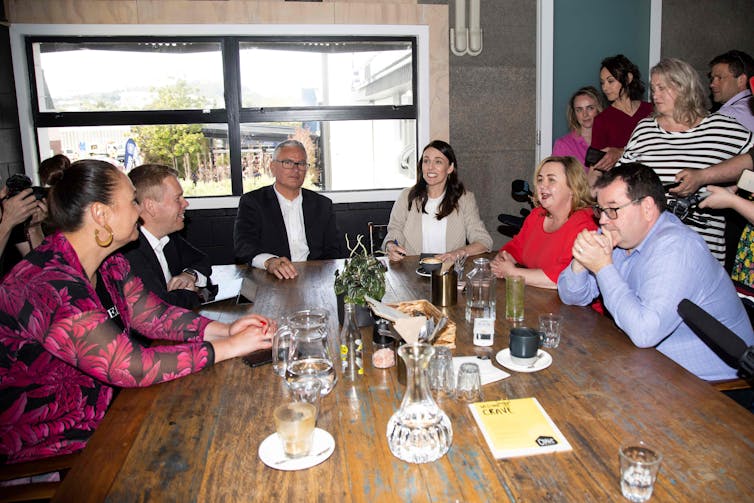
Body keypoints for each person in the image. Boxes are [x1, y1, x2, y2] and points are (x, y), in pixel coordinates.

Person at [0, 159, 273, 463]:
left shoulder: (110, 264)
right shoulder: (46, 284)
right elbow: (129, 365)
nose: (138, 210)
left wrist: (225, 330)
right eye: (132, 201)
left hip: (113, 411)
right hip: (59, 445)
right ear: (100, 214)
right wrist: (231, 346)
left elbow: (154, 315)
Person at [558, 163, 754, 382]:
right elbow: (571, 296)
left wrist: (603, 267)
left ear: (647, 208)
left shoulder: (676, 248)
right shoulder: (621, 235)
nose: (603, 220)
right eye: (601, 210)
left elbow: (644, 332)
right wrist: (581, 261)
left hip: (713, 389)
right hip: (650, 365)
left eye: (612, 209)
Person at [618, 58, 754, 264]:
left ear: (683, 87)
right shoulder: (644, 129)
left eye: (662, 88)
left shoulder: (722, 128)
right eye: (653, 88)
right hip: (649, 251)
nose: (655, 95)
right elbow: (621, 181)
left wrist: (728, 188)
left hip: (703, 253)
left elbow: (751, 159)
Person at [234, 140, 341, 280]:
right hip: (271, 278)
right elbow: (243, 247)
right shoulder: (253, 202)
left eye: (301, 164)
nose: (295, 170)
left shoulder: (322, 204)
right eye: (288, 163)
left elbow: (334, 250)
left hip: (315, 277)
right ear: (272, 167)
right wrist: (269, 262)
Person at [491, 156, 597, 289]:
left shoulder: (586, 224)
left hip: (577, 308)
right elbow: (516, 247)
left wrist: (513, 273)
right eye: (540, 179)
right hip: (537, 298)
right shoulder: (537, 215)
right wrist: (502, 261)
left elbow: (564, 277)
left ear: (572, 187)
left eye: (551, 180)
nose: (542, 186)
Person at [383, 140, 492, 262]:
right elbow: (394, 231)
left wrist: (457, 253)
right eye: (426, 161)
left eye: (438, 162)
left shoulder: (464, 199)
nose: (430, 167)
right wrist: (391, 246)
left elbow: (483, 241)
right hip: (411, 269)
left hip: (449, 272)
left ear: (450, 167)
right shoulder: (406, 196)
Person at [121, 164, 212, 309]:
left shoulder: (168, 237)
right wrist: (192, 292)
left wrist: (189, 275)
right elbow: (160, 308)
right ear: (151, 206)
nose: (185, 203)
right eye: (178, 198)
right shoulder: (130, 251)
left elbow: (201, 259)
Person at [591, 54, 654, 172]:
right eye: (602, 83)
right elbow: (596, 168)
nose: (605, 88)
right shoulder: (602, 120)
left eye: (610, 81)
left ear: (628, 78)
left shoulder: (651, 110)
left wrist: (620, 152)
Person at [552, 86, 604, 167]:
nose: (585, 114)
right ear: (574, 114)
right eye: (579, 110)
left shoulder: (611, 140)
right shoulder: (563, 145)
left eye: (590, 108)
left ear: (599, 109)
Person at [709, 50, 754, 132]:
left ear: (741, 80)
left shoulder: (726, 115)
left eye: (719, 78)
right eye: (712, 79)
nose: (712, 84)